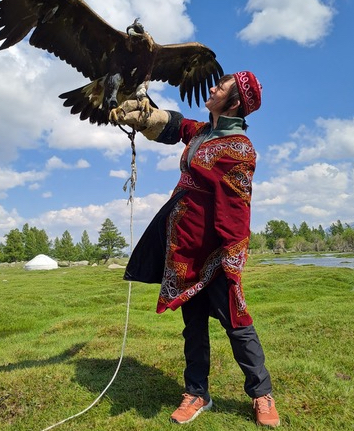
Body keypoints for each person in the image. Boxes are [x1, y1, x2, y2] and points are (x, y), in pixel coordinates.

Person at [117, 71, 280, 427]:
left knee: (237, 323)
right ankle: (197, 392)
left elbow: (238, 207)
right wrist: (147, 115)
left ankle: (261, 393)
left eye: (220, 87)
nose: (212, 88)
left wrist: (232, 260)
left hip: (217, 254)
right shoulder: (204, 134)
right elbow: (180, 127)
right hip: (185, 250)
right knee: (193, 326)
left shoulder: (239, 148)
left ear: (235, 102)